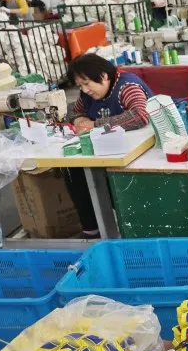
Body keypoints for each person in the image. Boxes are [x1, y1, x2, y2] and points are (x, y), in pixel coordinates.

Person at [64, 54, 153, 236]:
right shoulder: (87, 94)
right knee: (73, 170)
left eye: (87, 83)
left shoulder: (127, 87)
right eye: (80, 85)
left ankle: (129, 229)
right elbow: (74, 111)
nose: (85, 90)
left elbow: (139, 116)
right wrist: (80, 118)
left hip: (139, 151)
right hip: (106, 149)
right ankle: (92, 229)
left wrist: (94, 124)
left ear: (104, 76)